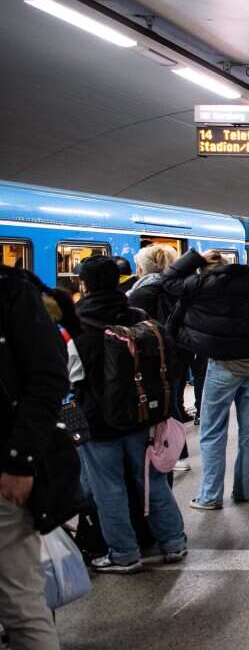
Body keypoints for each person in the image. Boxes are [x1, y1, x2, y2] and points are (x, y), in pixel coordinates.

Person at [71, 256, 188, 573]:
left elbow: (70, 379)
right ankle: (174, 542)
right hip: (141, 415)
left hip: (97, 421)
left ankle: (124, 554)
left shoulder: (77, 324)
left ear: (85, 284)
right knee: (151, 480)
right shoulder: (137, 316)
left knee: (107, 487)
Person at [161, 250, 249, 510]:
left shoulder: (203, 285)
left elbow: (167, 281)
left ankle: (210, 496)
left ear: (204, 269)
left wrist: (195, 257)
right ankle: (248, 490)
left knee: (212, 432)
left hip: (222, 365)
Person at [0, 264, 69, 648]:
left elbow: (48, 378)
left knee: (19, 603)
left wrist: (19, 460)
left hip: (5, 470)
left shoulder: (13, 292)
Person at [128, 243, 194, 470]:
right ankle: (178, 452)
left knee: (163, 405)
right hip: (179, 352)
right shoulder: (177, 288)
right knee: (173, 400)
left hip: (155, 355)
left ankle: (170, 453)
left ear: (144, 267)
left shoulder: (143, 291)